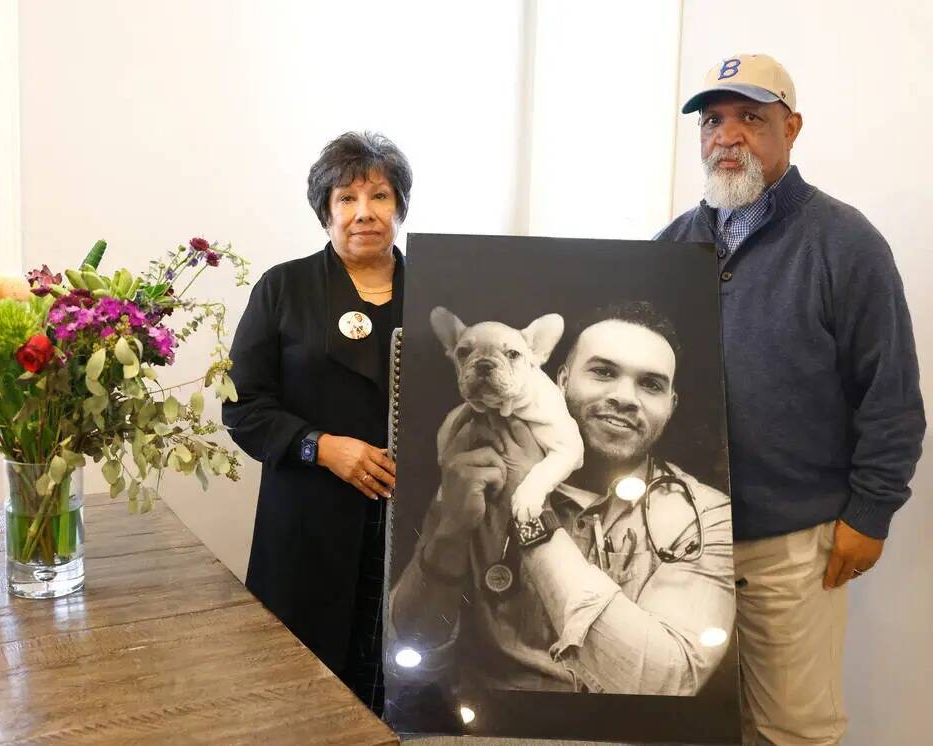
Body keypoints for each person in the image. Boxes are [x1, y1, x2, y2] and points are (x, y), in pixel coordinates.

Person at [656, 54, 925, 745]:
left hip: (792, 544)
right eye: (713, 121)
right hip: (678, 540)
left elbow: (891, 397)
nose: (728, 135)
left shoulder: (846, 242)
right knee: (684, 722)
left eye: (751, 117)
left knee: (791, 731)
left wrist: (870, 513)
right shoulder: (673, 244)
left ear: (792, 128)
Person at [390, 301, 736, 695]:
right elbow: (408, 655)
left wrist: (530, 517)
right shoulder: (471, 473)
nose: (625, 397)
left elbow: (666, 683)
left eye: (651, 384)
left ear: (671, 407)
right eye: (603, 372)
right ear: (560, 379)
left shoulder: (707, 515)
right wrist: (449, 530)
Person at [222, 131, 412, 714]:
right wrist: (321, 446)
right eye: (346, 198)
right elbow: (243, 406)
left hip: (410, 522)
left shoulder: (437, 289)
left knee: (397, 683)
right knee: (299, 693)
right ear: (324, 210)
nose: (364, 213)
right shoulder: (284, 287)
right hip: (308, 518)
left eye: (379, 197)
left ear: (399, 208)